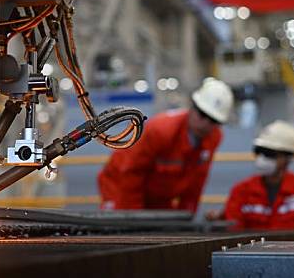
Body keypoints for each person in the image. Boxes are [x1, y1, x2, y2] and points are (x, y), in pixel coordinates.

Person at [98, 77, 233, 213]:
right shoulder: (160, 130)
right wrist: (133, 218)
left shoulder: (214, 137)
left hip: (159, 194)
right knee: (122, 228)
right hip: (119, 184)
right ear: (192, 107)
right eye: (202, 114)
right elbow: (131, 173)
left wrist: (186, 217)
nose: (205, 124)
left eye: (213, 120)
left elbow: (197, 181)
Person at [219, 120, 294, 241]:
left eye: (269, 153)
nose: (262, 158)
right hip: (252, 258)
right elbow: (233, 236)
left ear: (288, 158)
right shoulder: (241, 191)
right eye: (259, 152)